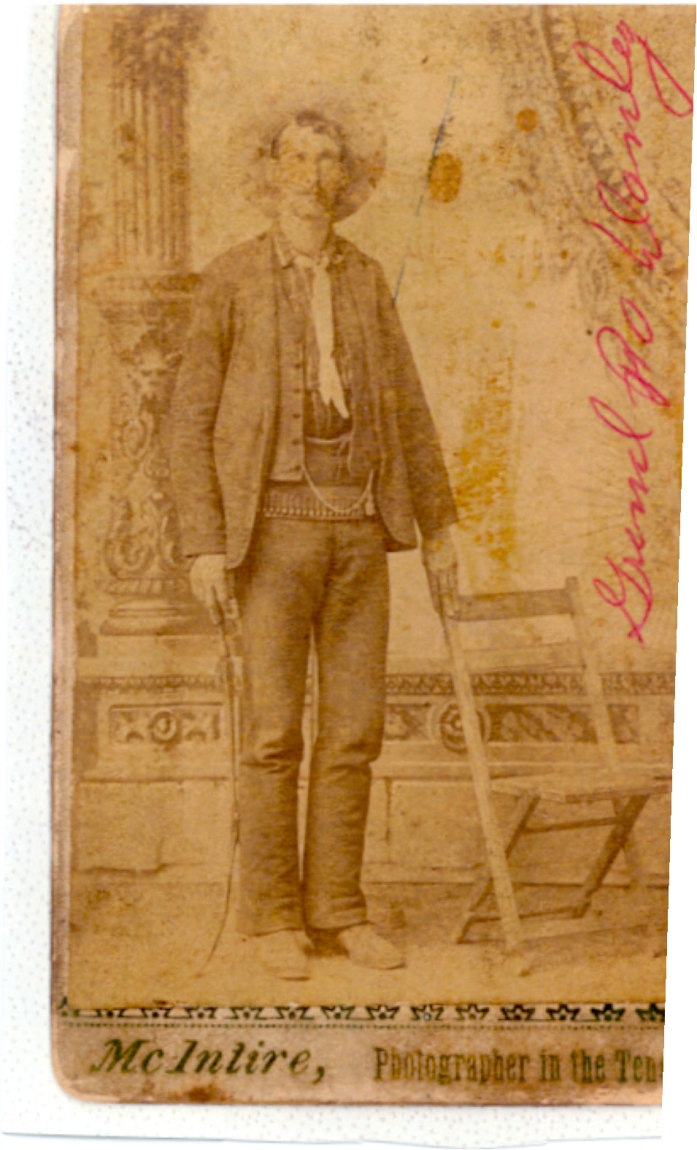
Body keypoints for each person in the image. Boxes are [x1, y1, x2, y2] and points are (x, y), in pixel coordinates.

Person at [171, 108, 459, 980]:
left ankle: (338, 910)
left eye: (327, 159)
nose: (310, 174)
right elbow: (187, 422)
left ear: (345, 178)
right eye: (295, 157)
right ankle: (269, 919)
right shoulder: (229, 279)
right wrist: (203, 544)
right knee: (271, 732)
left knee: (354, 731)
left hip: (360, 531)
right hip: (270, 536)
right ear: (271, 173)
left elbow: (407, 403)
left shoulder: (366, 278)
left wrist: (439, 526)